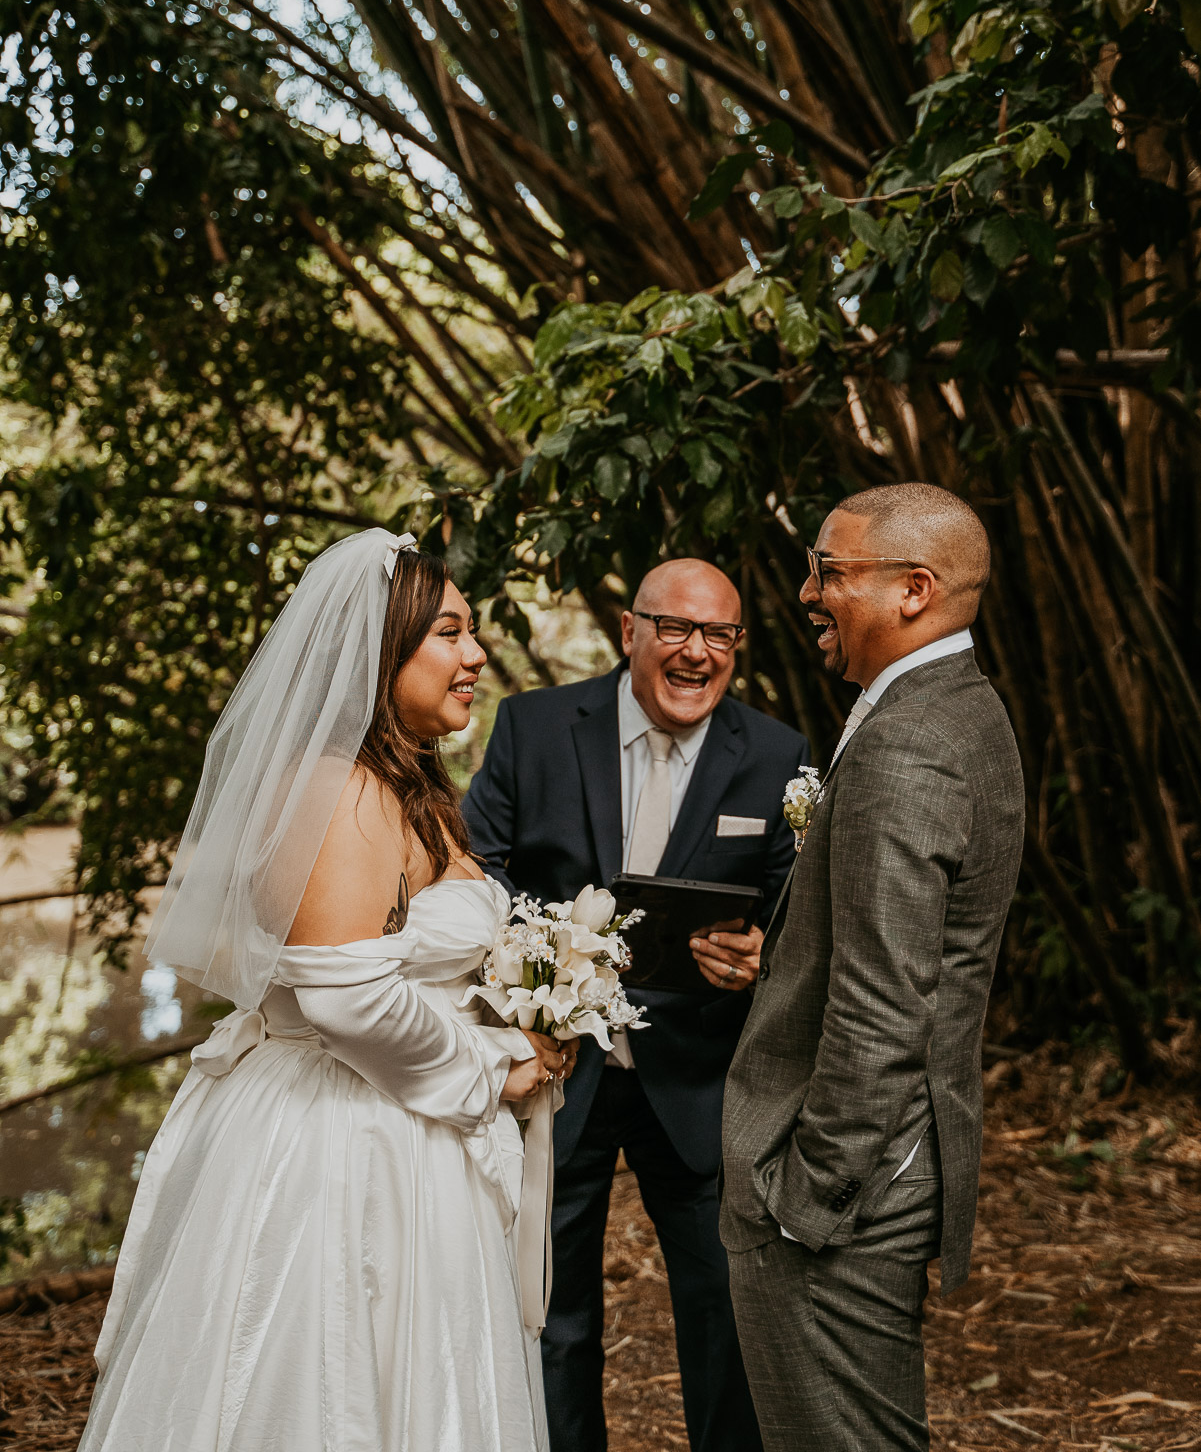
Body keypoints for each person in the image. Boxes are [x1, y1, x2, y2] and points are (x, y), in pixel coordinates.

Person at [79, 529, 578, 1452]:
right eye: (448, 634)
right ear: (377, 654)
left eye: (471, 634)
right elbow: (345, 998)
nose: (474, 655)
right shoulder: (337, 790)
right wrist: (493, 1064)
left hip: (401, 1126)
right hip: (342, 1143)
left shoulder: (399, 783)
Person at [464, 558, 809, 1452]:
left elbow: (791, 905)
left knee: (721, 1314)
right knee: (551, 1313)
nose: (697, 653)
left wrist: (759, 953)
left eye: (720, 636)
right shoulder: (532, 726)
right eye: (675, 630)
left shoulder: (776, 755)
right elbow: (476, 870)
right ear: (630, 631)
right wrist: (528, 972)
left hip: (698, 1080)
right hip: (555, 1071)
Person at [720, 483, 1025, 1452]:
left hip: (846, 1200)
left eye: (830, 571)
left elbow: (884, 1003)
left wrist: (805, 1198)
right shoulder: (964, 711)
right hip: (890, 1171)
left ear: (913, 590)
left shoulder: (907, 744)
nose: (807, 592)